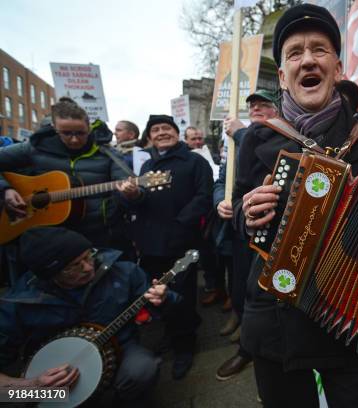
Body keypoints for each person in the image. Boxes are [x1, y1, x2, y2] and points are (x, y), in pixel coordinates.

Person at [234, 5, 358, 406]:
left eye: (320, 49)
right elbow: (235, 225)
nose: (308, 59)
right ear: (282, 76)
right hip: (275, 320)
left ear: (338, 68)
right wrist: (247, 216)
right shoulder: (255, 140)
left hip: (351, 319)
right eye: (295, 53)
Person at [0, 227, 169, 406]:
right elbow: (4, 394)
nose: (89, 268)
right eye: (74, 266)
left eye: (89, 256)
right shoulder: (18, 303)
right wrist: (31, 388)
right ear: (49, 275)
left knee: (142, 370)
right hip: (58, 383)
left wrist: (164, 299)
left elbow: (162, 308)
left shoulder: (121, 271)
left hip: (119, 347)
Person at [117, 114, 213, 380]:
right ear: (149, 136)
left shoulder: (195, 161)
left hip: (182, 244)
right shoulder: (147, 165)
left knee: (182, 296)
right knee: (159, 295)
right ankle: (173, 334)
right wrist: (132, 196)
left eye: (166, 128)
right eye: (155, 129)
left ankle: (185, 347)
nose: (161, 132)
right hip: (150, 246)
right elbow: (140, 202)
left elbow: (204, 198)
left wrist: (179, 224)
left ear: (176, 133)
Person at [0, 97, 130, 246]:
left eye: (80, 133)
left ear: (89, 128)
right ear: (55, 128)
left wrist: (133, 194)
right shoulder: (34, 148)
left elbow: (132, 193)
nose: (74, 139)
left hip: (98, 236)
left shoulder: (108, 153)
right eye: (66, 133)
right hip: (45, 237)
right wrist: (5, 189)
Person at [215, 89, 278, 382]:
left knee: (266, 299)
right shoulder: (236, 143)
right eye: (252, 106)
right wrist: (223, 201)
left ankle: (260, 357)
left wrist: (242, 134)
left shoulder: (279, 138)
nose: (255, 110)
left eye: (263, 105)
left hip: (271, 236)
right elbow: (223, 180)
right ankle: (245, 343)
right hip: (241, 230)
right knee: (240, 286)